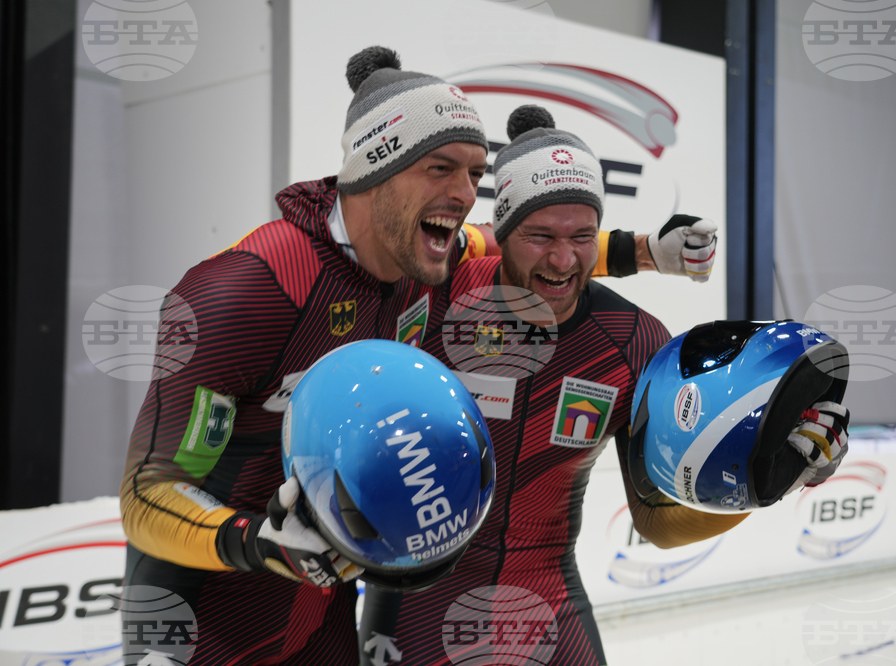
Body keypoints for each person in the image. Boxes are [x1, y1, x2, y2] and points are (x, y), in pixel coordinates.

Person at [118, 44, 709, 664]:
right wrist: (256, 542)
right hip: (201, 622)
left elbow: (525, 241)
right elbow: (146, 491)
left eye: (476, 174)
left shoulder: (428, 255)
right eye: (440, 168)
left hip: (322, 614)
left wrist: (645, 249)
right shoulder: (250, 287)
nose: (464, 194)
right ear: (374, 168)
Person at [358, 106, 849, 666]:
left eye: (583, 237)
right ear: (502, 232)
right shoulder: (433, 294)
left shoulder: (633, 341)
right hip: (413, 594)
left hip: (544, 592)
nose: (565, 259)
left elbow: (658, 524)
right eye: (539, 235)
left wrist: (765, 480)